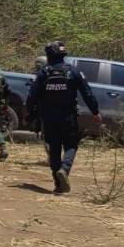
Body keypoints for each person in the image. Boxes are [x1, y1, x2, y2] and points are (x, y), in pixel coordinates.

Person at [26, 41, 101, 194]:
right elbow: (87, 93)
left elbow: (32, 96)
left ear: (48, 55)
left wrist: (29, 114)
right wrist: (95, 111)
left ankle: (58, 184)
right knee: (71, 145)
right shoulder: (73, 71)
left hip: (48, 118)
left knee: (54, 150)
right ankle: (64, 169)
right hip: (68, 117)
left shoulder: (43, 73)